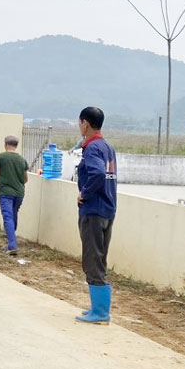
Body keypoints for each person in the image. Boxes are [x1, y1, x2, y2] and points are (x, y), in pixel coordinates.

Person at [75, 106, 117, 325]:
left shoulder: (92, 148)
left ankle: (100, 312)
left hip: (93, 210)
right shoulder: (107, 147)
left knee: (92, 260)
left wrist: (84, 192)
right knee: (100, 258)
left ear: (85, 123)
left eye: (79, 123)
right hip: (108, 210)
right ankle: (97, 307)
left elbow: (98, 174)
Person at [0, 136, 29, 256]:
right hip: (19, 193)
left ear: (5, 144)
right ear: (16, 145)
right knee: (13, 216)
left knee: (7, 217)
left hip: (5, 192)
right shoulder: (22, 160)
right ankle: (10, 242)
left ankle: (12, 246)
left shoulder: (0, 157)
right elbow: (25, 179)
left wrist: (2, 179)